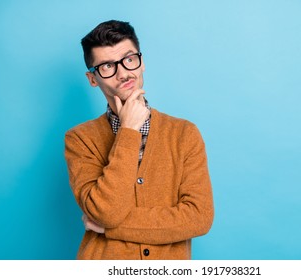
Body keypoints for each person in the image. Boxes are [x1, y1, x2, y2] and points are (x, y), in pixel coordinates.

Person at [64, 20, 214, 260]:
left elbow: (199, 217)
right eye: (107, 66)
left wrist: (111, 228)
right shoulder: (80, 139)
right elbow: (105, 212)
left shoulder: (184, 134)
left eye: (129, 59)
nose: (123, 73)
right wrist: (129, 130)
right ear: (93, 79)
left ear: (141, 63)